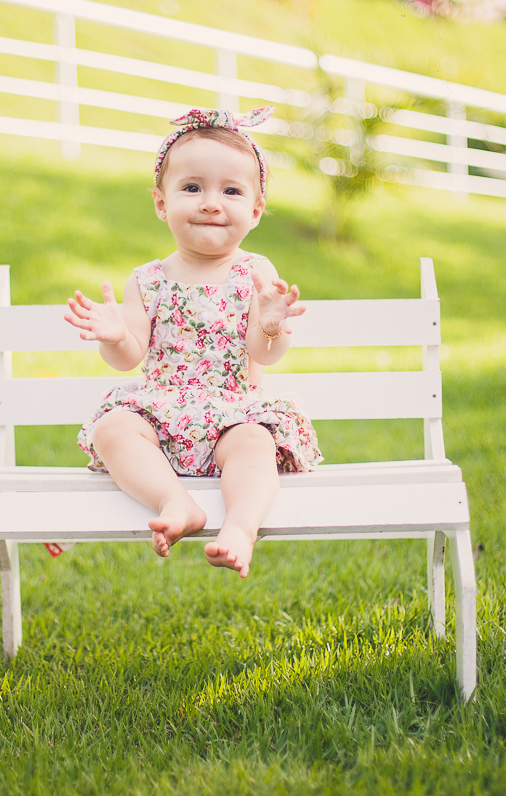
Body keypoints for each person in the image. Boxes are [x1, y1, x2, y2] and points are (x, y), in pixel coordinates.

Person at [64, 107, 322, 578]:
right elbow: (129, 358)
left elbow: (264, 354)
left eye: (231, 191)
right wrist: (117, 335)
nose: (210, 202)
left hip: (233, 411)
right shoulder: (148, 279)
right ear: (162, 204)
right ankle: (175, 501)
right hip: (161, 414)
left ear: (256, 210)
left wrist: (269, 324)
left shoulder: (255, 273)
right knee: (114, 428)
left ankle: (241, 528)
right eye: (191, 188)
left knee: (254, 445)